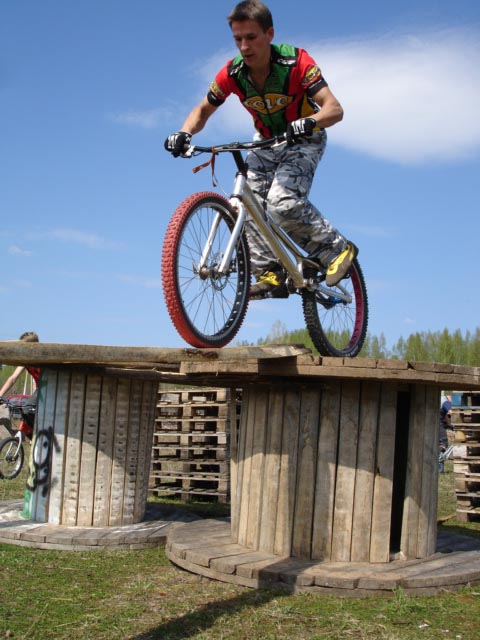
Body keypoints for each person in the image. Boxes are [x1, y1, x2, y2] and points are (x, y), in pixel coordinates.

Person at [165, 0, 356, 298]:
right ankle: (270, 272)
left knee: (281, 203)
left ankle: (337, 249)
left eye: (251, 37)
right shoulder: (233, 73)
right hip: (265, 141)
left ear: (269, 34)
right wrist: (183, 133)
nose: (244, 46)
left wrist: (310, 122)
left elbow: (335, 109)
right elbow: (202, 110)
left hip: (304, 139)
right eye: (238, 39)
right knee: (247, 203)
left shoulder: (296, 62)